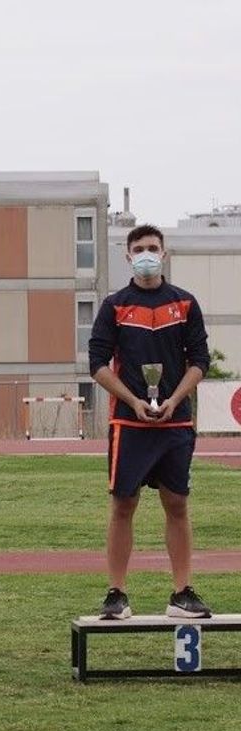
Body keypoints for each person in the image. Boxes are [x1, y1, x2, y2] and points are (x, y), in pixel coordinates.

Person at [88, 224, 210, 619]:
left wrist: (174, 399)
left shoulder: (185, 303)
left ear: (164, 253)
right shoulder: (114, 306)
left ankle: (182, 592)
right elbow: (97, 364)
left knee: (177, 504)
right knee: (124, 505)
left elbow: (200, 361)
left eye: (153, 248)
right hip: (129, 423)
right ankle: (116, 594)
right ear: (128, 256)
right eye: (139, 248)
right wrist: (134, 401)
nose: (146, 254)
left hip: (175, 422)